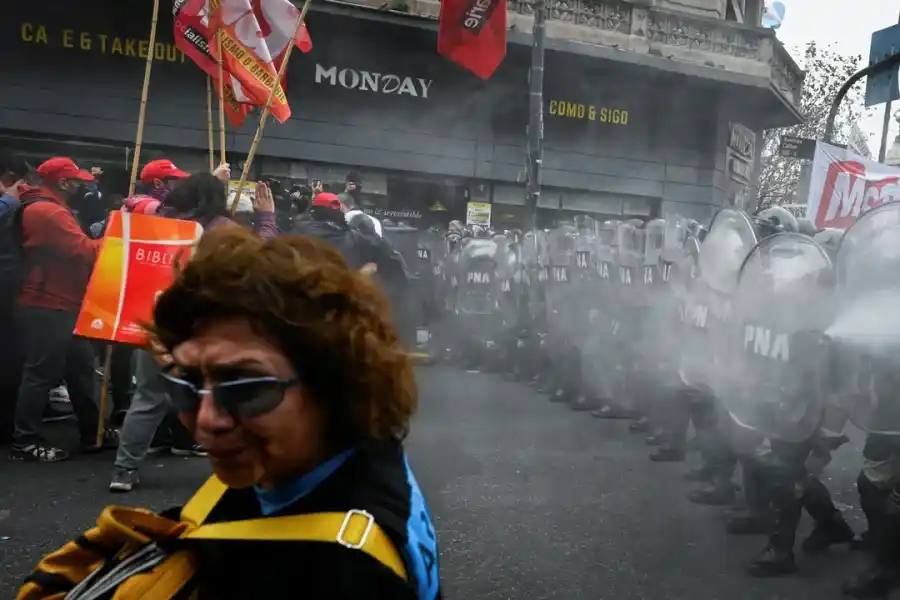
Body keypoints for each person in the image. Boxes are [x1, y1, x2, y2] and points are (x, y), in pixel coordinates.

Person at [23, 226, 442, 599]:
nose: (207, 420)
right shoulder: (359, 445)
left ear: (333, 381)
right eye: (186, 384)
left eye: (246, 387)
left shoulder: (335, 577)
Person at [110, 172, 277, 492]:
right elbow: (261, 257)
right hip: (205, 328)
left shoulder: (159, 222)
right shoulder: (222, 232)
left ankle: (124, 471)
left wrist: (205, 182)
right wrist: (266, 217)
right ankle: (238, 469)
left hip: (157, 321)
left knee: (147, 397)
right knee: (224, 395)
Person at [8, 158, 106, 462]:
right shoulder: (47, 212)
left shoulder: (45, 207)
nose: (81, 185)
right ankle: (25, 442)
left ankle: (94, 431)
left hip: (59, 301)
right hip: (47, 303)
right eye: (77, 180)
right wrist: (118, 235)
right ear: (64, 183)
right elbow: (86, 251)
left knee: (80, 368)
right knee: (41, 373)